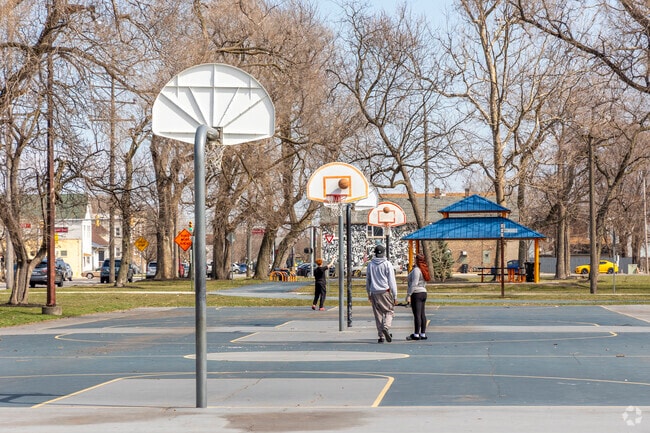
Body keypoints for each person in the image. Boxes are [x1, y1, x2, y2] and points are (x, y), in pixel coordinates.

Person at [366, 244, 398, 343]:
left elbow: (368, 280)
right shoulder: (387, 264)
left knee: (378, 314)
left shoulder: (370, 264)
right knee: (389, 311)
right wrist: (395, 295)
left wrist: (369, 293)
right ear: (384, 253)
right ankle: (386, 327)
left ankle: (381, 336)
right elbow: (391, 280)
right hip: (385, 291)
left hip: (374, 292)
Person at [406, 254, 428, 340]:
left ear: (417, 260)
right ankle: (422, 333)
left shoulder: (416, 270)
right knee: (422, 314)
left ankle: (416, 334)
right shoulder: (424, 269)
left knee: (417, 314)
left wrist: (409, 295)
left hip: (417, 293)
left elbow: (414, 283)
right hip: (423, 292)